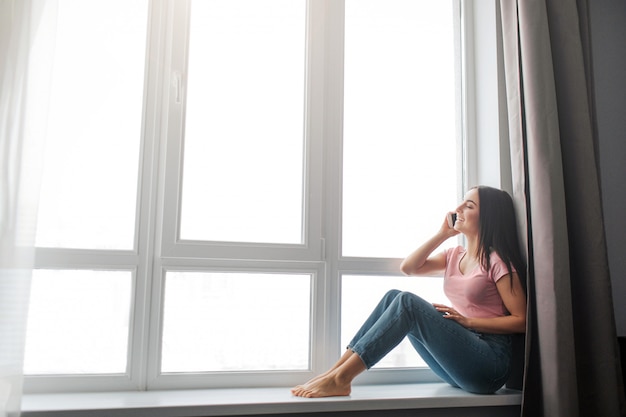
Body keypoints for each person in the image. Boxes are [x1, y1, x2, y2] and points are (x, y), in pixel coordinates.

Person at [291, 186, 527, 398]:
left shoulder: (498, 262)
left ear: (488, 217)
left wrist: (468, 321)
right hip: (459, 364)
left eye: (469, 205)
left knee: (407, 303)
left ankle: (341, 379)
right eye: (461, 201)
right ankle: (334, 372)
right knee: (394, 296)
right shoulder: (455, 255)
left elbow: (521, 321)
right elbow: (410, 267)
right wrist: (442, 234)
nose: (458, 208)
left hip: (489, 367)